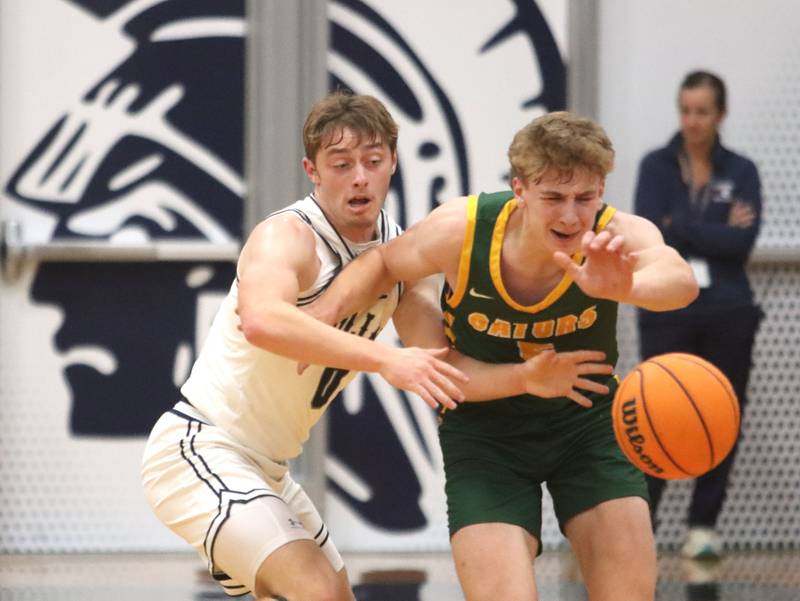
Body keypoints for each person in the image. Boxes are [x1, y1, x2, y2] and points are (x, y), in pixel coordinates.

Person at [140, 93, 614, 601]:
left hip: (271, 469)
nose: (359, 177)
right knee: (316, 591)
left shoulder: (400, 256)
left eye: (371, 161)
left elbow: (442, 366)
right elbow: (261, 321)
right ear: (312, 171)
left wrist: (524, 377)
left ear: (392, 162)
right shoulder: (288, 236)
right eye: (341, 165)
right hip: (201, 446)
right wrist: (387, 360)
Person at [308, 111, 699, 601]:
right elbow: (384, 262)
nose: (572, 215)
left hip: (586, 426)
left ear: (602, 190)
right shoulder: (464, 229)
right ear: (519, 189)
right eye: (554, 198)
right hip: (485, 436)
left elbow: (680, 280)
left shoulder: (613, 235)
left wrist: (628, 284)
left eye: (585, 197)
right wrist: (321, 313)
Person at [633, 70, 763, 560]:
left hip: (728, 308)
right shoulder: (656, 165)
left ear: (720, 115)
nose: (692, 120)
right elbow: (651, 233)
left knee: (722, 414)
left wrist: (680, 226)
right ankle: (643, 524)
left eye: (702, 111)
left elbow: (743, 242)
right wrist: (708, 228)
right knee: (657, 409)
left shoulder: (742, 169)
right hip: (667, 307)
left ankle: (703, 526)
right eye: (685, 110)